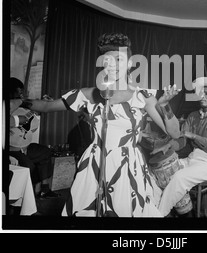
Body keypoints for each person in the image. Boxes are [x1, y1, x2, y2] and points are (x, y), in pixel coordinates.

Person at [19, 32, 181, 217]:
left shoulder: (142, 95)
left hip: (128, 164)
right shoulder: (88, 94)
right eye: (106, 61)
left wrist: (165, 105)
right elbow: (47, 106)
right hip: (94, 163)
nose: (111, 65)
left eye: (118, 59)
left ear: (129, 63)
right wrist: (16, 101)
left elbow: (174, 132)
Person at [156, 77, 207, 217]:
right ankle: (156, 208)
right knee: (162, 172)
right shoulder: (193, 116)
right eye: (201, 92)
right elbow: (182, 140)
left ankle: (158, 215)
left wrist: (194, 136)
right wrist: (169, 146)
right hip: (192, 160)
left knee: (179, 177)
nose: (202, 96)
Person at [9, 77, 59, 199]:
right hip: (12, 150)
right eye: (19, 91)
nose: (21, 93)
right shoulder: (7, 104)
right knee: (29, 167)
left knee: (45, 152)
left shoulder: (23, 107)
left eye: (22, 91)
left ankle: (45, 189)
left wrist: (38, 110)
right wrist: (14, 122)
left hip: (26, 148)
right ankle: (27, 200)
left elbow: (33, 128)